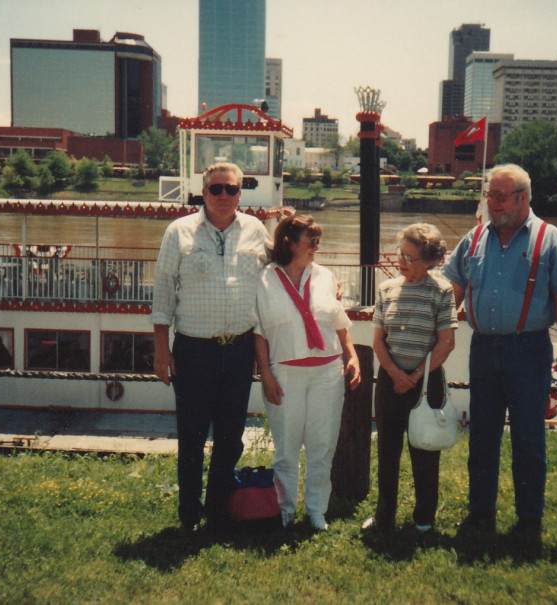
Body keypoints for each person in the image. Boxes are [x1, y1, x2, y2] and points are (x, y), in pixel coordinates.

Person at [441, 163, 557, 548]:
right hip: (484, 350)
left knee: (528, 438)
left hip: (529, 351)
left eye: (500, 196)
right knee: (482, 436)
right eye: (490, 195)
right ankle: (481, 512)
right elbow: (451, 291)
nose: (493, 202)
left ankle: (529, 520)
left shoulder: (549, 239)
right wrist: (430, 329)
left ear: (522, 198)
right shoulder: (473, 240)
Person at [151, 162, 271, 534]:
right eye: (215, 189)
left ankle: (218, 511)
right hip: (193, 350)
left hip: (238, 351)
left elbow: (278, 276)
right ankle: (190, 515)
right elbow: (163, 293)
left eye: (231, 189)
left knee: (230, 438)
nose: (223, 196)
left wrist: (321, 285)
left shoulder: (255, 230)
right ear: (202, 193)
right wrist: (161, 349)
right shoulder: (179, 232)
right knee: (191, 436)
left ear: (240, 193)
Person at [254, 214, 361, 531]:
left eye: (318, 240)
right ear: (289, 242)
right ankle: (285, 511)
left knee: (322, 446)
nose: (317, 246)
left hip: (327, 372)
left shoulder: (326, 276)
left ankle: (316, 511)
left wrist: (352, 355)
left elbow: (338, 322)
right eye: (311, 240)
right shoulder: (263, 280)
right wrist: (266, 375)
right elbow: (259, 333)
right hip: (285, 373)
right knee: (286, 449)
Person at [362, 223, 457, 533]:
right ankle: (384, 516)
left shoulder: (441, 291)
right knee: (387, 450)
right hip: (391, 382)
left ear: (428, 260)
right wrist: (395, 374)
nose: (400, 261)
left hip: (426, 383)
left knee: (425, 450)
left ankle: (424, 520)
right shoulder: (386, 289)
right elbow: (378, 341)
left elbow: (446, 343)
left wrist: (415, 375)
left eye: (408, 257)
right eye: (399, 254)